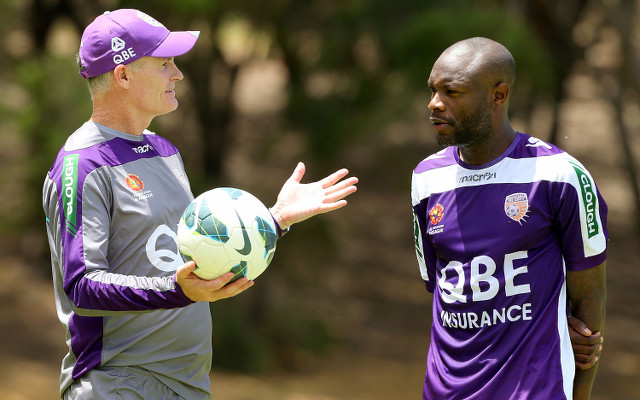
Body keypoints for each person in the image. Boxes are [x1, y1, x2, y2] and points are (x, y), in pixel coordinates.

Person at [42, 9, 358, 400]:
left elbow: (194, 255)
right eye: (164, 64)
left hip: (189, 385)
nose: (178, 75)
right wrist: (177, 291)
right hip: (117, 383)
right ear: (123, 75)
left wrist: (273, 220)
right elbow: (82, 287)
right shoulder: (82, 165)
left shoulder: (164, 150)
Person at [411, 37, 607, 400]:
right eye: (433, 90)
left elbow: (589, 301)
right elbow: (447, 294)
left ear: (498, 95)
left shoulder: (558, 175)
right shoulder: (426, 179)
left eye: (452, 91)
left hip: (534, 390)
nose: (434, 104)